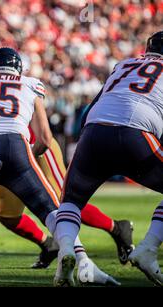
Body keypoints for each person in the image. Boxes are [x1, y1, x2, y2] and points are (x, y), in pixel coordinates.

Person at [0, 47, 119, 286]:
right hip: (17, 147)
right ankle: (81, 258)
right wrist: (26, 162)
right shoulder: (29, 84)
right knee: (51, 209)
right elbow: (46, 139)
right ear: (18, 68)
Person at [54, 31, 163, 286]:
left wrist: (86, 146)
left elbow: (92, 108)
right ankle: (148, 249)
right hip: (138, 132)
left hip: (95, 131)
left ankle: (67, 250)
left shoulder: (124, 65)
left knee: (70, 201)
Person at [0, 126, 133, 269]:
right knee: (8, 216)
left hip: (37, 145)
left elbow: (38, 112)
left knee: (64, 201)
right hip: (6, 153)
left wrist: (38, 145)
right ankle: (48, 244)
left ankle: (116, 228)